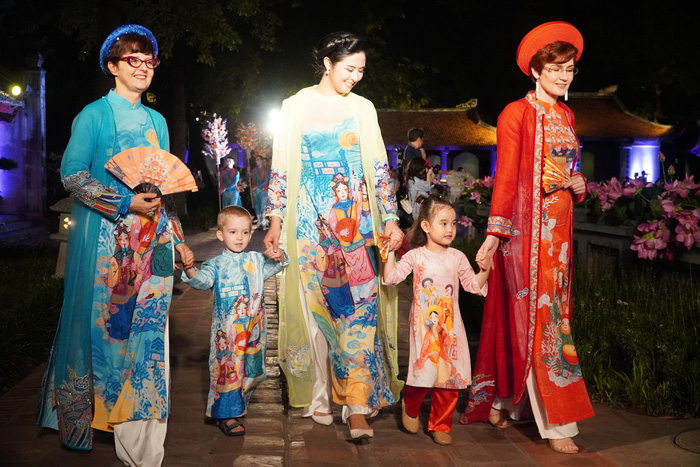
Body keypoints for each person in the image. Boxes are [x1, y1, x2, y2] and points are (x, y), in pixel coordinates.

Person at [36, 24, 194, 465]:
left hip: (155, 247)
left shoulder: (157, 121)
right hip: (108, 249)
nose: (144, 68)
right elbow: (73, 175)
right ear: (113, 66)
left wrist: (178, 241)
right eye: (133, 60)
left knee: (150, 341)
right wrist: (124, 201)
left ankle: (144, 449)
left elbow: (164, 187)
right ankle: (118, 430)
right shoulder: (93, 115)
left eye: (150, 61)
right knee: (110, 339)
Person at [460, 21, 593, 454]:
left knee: (548, 317)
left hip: (560, 237)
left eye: (569, 69)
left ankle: (506, 401)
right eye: (555, 68)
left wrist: (579, 184)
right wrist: (496, 234)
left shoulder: (567, 114)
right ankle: (558, 423)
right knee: (537, 320)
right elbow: (507, 179)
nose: (563, 76)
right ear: (536, 70)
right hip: (525, 236)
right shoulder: (516, 114)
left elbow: (571, 170)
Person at [263, 31, 404, 439]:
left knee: (357, 311)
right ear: (327, 63)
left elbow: (378, 167)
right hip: (308, 227)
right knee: (318, 312)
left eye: (361, 70)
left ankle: (357, 406)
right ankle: (323, 397)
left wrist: (390, 218)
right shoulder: (295, 106)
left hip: (357, 226)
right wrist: (274, 221)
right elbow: (281, 169)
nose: (356, 77)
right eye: (349, 68)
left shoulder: (363, 108)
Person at [383, 195, 490, 445]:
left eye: (453, 223)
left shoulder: (457, 257)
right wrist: (389, 253)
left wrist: (486, 269)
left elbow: (474, 286)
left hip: (451, 327)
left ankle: (440, 423)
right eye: (443, 223)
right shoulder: (415, 256)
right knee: (423, 371)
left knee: (448, 375)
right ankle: (410, 408)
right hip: (424, 327)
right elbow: (390, 278)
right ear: (426, 226)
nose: (450, 229)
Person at [181, 206, 288, 437]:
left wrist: (279, 255)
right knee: (228, 370)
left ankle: (238, 405)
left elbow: (278, 264)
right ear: (221, 235)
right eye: (233, 232)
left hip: (253, 333)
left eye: (245, 232)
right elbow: (201, 281)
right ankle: (227, 414)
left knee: (251, 370)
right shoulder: (215, 265)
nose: (239, 237)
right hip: (227, 336)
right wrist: (190, 269)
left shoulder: (256, 260)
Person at [250, 154, 271, 229]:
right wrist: (247, 172)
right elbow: (248, 178)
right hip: (255, 192)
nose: (256, 161)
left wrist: (257, 187)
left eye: (258, 160)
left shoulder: (266, 170)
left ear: (262, 161)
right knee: (256, 206)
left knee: (263, 206)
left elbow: (266, 181)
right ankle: (259, 221)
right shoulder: (253, 170)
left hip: (263, 190)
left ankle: (263, 221)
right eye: (256, 160)